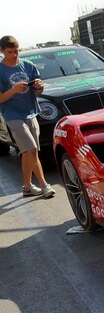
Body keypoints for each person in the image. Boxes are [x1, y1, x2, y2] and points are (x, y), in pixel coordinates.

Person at [0, 35, 56, 198]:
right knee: (31, 149)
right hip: (12, 114)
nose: (14, 55)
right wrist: (13, 91)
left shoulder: (28, 66)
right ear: (2, 51)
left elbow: (38, 91)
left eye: (16, 51)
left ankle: (27, 186)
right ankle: (45, 185)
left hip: (31, 111)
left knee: (29, 152)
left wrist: (39, 87)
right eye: (10, 52)